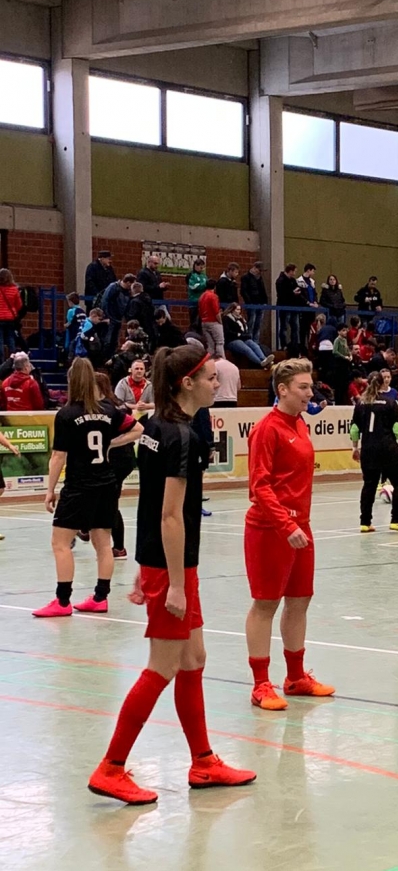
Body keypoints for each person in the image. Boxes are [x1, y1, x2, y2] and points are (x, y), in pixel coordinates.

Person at [87, 344, 256, 803]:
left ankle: (203, 762)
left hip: (165, 564)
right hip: (172, 570)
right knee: (162, 667)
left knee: (194, 658)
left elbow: (148, 504)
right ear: (187, 383)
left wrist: (146, 567)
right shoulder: (181, 436)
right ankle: (111, 767)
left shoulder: (156, 427)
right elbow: (169, 515)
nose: (217, 384)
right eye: (210, 378)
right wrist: (174, 583)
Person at [244, 359, 335, 712]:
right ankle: (260, 684)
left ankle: (295, 677)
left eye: (310, 386)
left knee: (300, 600)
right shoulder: (266, 429)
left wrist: (299, 524)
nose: (310, 393)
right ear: (282, 390)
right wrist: (286, 525)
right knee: (266, 604)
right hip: (270, 529)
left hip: (301, 527)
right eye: (303, 387)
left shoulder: (300, 423)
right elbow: (260, 486)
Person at [33, 358, 143, 619]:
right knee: (103, 543)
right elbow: (138, 428)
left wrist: (49, 490)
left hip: (79, 485)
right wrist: (111, 444)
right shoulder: (108, 410)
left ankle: (62, 601)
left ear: (71, 381)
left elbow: (58, 456)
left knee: (60, 542)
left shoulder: (67, 414)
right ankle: (100, 598)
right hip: (106, 482)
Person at [351, 371, 398, 534]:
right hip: (388, 448)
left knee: (369, 485)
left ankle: (365, 523)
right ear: (382, 383)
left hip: (368, 449)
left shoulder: (360, 403)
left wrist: (354, 448)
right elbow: (397, 428)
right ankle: (396, 520)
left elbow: (354, 429)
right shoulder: (390, 403)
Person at [94, 372, 136, 560]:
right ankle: (87, 530)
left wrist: (111, 443)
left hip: (117, 459)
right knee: (107, 500)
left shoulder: (106, 407)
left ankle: (119, 547)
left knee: (109, 502)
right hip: (125, 457)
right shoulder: (119, 403)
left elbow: (136, 429)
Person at [222, 304, 272, 368]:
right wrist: (239, 335)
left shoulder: (241, 319)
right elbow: (227, 332)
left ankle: (264, 359)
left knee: (255, 346)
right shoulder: (226, 318)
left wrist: (245, 335)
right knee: (247, 349)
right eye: (237, 309)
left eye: (240, 309)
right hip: (232, 340)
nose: (239, 311)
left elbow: (245, 330)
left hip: (243, 338)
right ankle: (260, 363)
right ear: (232, 310)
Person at [100, 273, 136, 354]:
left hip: (118, 319)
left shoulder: (127, 292)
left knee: (114, 340)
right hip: (110, 318)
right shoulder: (113, 287)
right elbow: (105, 302)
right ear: (128, 283)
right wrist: (107, 316)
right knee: (107, 340)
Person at [276, 263, 303, 350]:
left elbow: (297, 289)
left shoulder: (293, 280)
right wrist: (292, 293)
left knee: (295, 327)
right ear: (290, 271)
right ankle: (283, 345)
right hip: (284, 306)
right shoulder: (280, 280)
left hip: (294, 307)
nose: (295, 273)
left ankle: (294, 344)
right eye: (294, 271)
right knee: (284, 327)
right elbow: (281, 294)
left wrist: (298, 292)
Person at [240, 261, 268, 340]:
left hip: (260, 303)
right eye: (259, 270)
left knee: (258, 324)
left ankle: (256, 340)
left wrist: (265, 301)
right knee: (251, 323)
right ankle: (249, 339)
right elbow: (243, 291)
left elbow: (262, 290)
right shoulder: (246, 277)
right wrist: (249, 302)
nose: (260, 273)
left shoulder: (259, 278)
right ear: (255, 268)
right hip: (252, 304)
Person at [197, 278, 224, 360]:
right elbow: (216, 311)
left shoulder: (201, 296)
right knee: (219, 342)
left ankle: (207, 361)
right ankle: (222, 361)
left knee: (210, 345)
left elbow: (200, 310)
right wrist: (220, 322)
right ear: (215, 287)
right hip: (213, 322)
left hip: (204, 322)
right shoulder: (213, 296)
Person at [125, 281, 157, 348]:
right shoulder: (148, 300)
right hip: (150, 329)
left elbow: (132, 317)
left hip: (137, 331)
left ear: (133, 290)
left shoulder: (134, 302)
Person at [0, 269, 23, 360]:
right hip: (10, 318)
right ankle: (13, 359)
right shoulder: (14, 289)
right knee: (11, 338)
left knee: (0, 340)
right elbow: (19, 305)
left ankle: (1, 361)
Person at [332, 323, 353, 404]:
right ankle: (338, 402)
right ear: (339, 331)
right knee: (339, 385)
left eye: (346, 330)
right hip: (339, 364)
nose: (345, 332)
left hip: (345, 364)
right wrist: (344, 357)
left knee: (345, 384)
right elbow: (335, 351)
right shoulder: (337, 340)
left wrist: (350, 355)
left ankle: (344, 401)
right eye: (343, 330)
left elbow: (347, 349)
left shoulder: (344, 340)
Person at [185, 258, 207, 331]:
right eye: (200, 266)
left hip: (202, 303)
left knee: (201, 323)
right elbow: (193, 287)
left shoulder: (204, 276)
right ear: (195, 266)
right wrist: (204, 284)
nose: (202, 268)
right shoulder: (191, 275)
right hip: (194, 303)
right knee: (194, 322)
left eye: (203, 266)